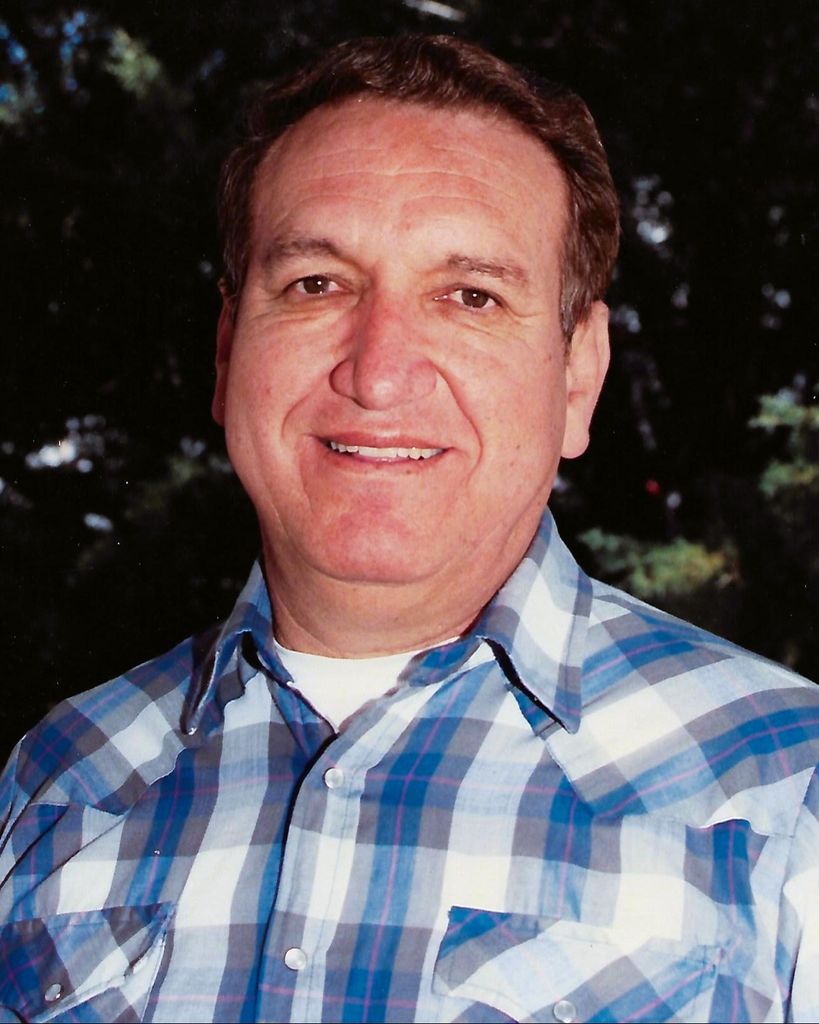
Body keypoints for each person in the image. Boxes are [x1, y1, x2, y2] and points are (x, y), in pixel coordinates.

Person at [1, 33, 817, 1024]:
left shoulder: (787, 784)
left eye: (471, 296)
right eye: (316, 284)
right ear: (226, 351)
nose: (378, 372)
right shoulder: (57, 780)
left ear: (577, 375)